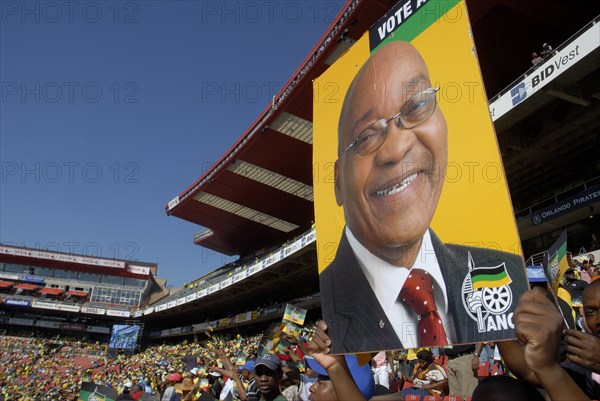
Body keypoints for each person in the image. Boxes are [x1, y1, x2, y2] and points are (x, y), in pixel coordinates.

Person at [319, 39, 527, 353]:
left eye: (416, 106)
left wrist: (545, 367)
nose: (396, 148)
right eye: (365, 137)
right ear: (337, 182)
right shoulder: (329, 330)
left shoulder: (509, 274)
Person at [498, 284, 599, 400]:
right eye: (591, 312)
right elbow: (530, 372)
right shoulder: (588, 367)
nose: (598, 319)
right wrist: (498, 317)